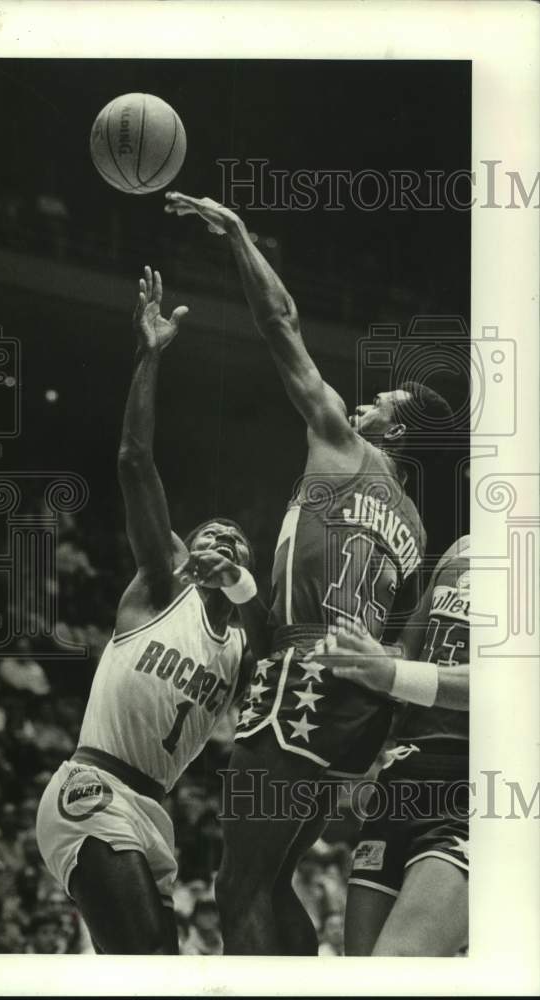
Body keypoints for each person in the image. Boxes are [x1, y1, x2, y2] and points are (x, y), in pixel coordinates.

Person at [166, 191, 454, 955]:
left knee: (237, 886)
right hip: (356, 709)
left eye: (377, 402)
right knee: (269, 881)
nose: (356, 404)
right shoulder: (417, 530)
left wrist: (235, 239)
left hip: (301, 681)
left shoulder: (341, 448)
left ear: (394, 431)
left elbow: (280, 323)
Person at [36, 267, 260, 954]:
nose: (217, 538)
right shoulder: (162, 588)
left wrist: (251, 592)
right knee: (147, 971)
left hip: (153, 816)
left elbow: (283, 645)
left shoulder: (242, 645)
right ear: (188, 552)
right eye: (207, 533)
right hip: (94, 789)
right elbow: (134, 460)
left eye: (233, 538)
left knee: (156, 967)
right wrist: (149, 354)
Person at [308, 535, 470, 955]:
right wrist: (355, 653)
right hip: (402, 778)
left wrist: (389, 672)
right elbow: (406, 653)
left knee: (393, 967)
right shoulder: (460, 550)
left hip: (475, 785)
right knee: (363, 969)